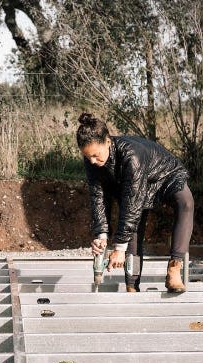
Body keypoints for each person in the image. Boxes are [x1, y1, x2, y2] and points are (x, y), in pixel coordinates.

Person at [77, 112, 194, 293]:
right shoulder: (91, 161)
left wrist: (119, 248)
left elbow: (132, 204)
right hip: (129, 183)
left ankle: (174, 268)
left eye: (95, 155)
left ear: (107, 142)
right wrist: (101, 235)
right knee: (133, 229)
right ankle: (132, 286)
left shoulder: (132, 155)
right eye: (88, 157)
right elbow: (98, 197)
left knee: (185, 201)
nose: (92, 161)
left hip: (164, 175)